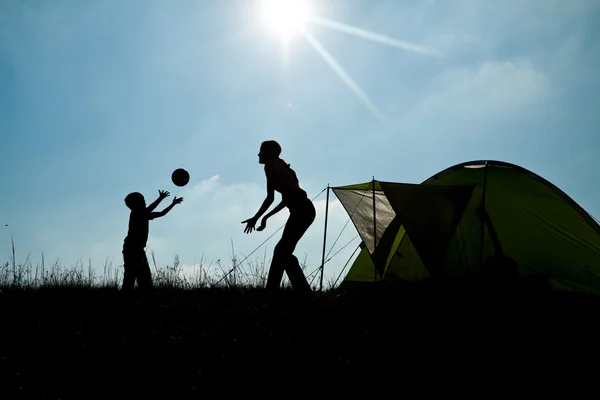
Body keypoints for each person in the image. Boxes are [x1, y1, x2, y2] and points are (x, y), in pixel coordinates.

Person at [242, 140, 315, 297]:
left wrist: (258, 218)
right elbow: (281, 199)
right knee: (284, 253)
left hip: (303, 211)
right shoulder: (275, 165)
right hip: (301, 211)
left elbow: (272, 198)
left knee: (281, 251)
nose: (258, 154)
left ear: (269, 154)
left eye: (261, 151)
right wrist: (263, 218)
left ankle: (272, 292)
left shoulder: (271, 167)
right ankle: (302, 293)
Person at [122, 189, 183, 297]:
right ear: (135, 204)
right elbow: (150, 208)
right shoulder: (136, 214)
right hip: (132, 248)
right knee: (132, 276)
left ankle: (141, 300)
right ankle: (126, 302)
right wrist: (160, 198)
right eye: (142, 201)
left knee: (141, 277)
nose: (145, 202)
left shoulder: (143, 215)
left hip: (137, 249)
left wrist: (173, 204)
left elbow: (162, 213)